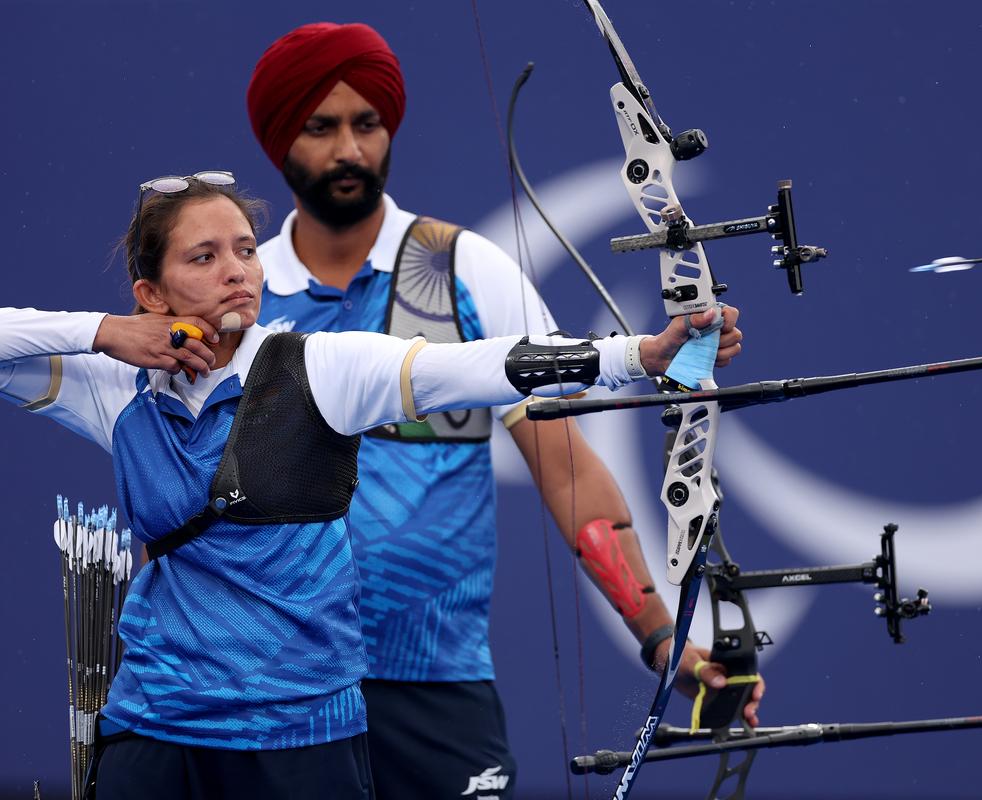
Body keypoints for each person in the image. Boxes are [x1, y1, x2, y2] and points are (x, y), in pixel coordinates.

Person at [0, 174, 739, 799]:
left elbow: (482, 365)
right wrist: (102, 330)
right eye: (204, 256)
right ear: (151, 293)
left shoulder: (318, 367)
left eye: (246, 251)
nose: (238, 270)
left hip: (300, 733)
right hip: (154, 723)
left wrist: (640, 353)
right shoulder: (115, 386)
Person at [246, 21, 761, 799]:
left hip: (438, 684)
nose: (350, 149)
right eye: (321, 127)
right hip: (272, 684)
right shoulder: (242, 293)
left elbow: (567, 471)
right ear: (281, 139)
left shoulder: (461, 268)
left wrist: (660, 639)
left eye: (368, 124)